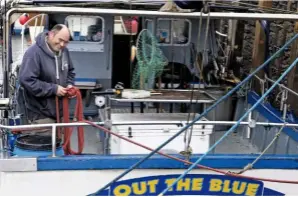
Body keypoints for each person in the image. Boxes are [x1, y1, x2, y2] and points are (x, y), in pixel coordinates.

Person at [18, 24, 75, 127]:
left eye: (66, 42)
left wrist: (69, 84)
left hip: (61, 113)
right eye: (60, 40)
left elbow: (70, 71)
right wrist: (53, 89)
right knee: (47, 142)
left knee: (61, 142)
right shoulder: (33, 53)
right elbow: (27, 80)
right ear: (51, 34)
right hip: (40, 115)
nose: (62, 44)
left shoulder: (64, 51)